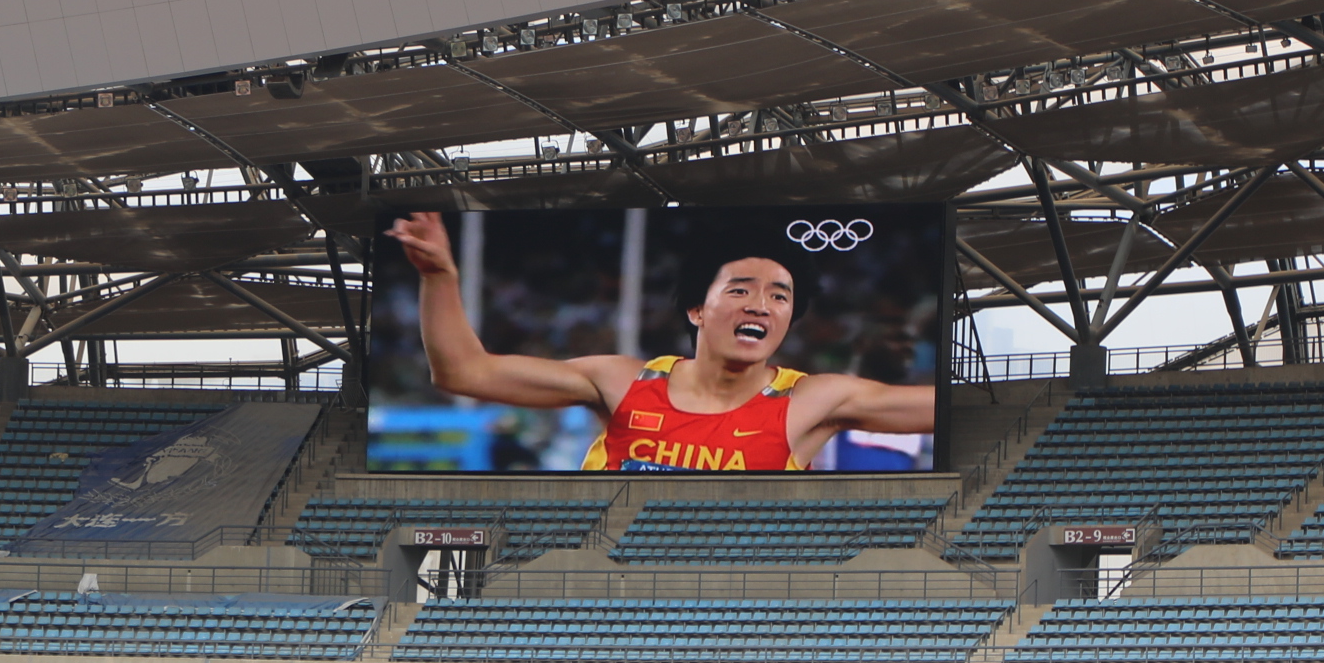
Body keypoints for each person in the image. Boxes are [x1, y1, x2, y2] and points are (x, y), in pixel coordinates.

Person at [384, 211, 934, 472]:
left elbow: (940, 408)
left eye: (779, 297)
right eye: (741, 290)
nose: (761, 305)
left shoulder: (813, 401)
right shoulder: (620, 381)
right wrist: (439, 277)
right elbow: (465, 373)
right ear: (697, 308)